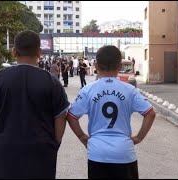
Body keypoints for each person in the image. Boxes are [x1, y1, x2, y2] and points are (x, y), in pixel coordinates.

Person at [0, 30, 70, 179]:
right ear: (39, 52)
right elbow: (61, 116)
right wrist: (54, 143)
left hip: (4, 153)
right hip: (41, 152)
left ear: (14, 52)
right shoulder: (51, 82)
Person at [66, 45, 156, 179]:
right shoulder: (129, 90)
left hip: (97, 153)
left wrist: (82, 136)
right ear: (120, 66)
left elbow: (71, 116)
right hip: (124, 153)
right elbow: (150, 113)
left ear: (95, 66)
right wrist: (138, 138)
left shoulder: (88, 90)